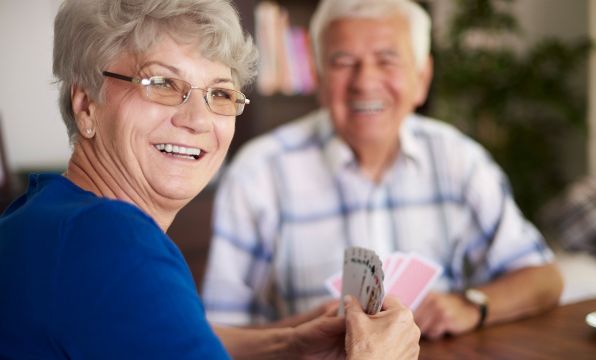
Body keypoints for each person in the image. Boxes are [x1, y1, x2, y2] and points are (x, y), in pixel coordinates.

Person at [0, 0, 420, 358]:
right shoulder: (112, 240)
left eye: (220, 93)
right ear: (86, 105)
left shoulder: (48, 214)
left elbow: (153, 334)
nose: (198, 120)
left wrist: (285, 343)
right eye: (162, 83)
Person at [202, 0, 564, 339]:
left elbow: (544, 278)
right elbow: (218, 334)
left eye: (387, 60)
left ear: (422, 79)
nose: (365, 82)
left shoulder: (459, 159)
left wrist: (471, 305)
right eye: (344, 62)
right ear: (319, 78)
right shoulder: (258, 172)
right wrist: (303, 334)